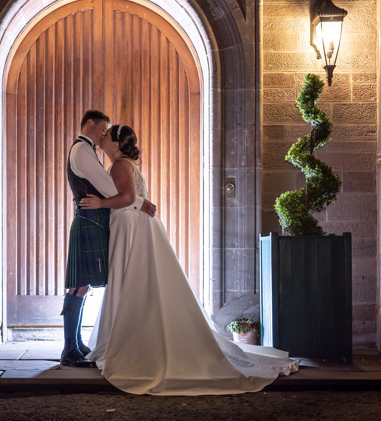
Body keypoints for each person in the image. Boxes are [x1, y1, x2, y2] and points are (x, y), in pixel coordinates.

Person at [80, 124, 300, 394]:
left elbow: (126, 197)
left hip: (131, 228)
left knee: (131, 281)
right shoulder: (126, 164)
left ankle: (129, 342)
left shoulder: (120, 166)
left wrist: (100, 203)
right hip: (136, 225)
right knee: (137, 283)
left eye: (106, 135)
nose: (101, 138)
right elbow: (136, 198)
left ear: (115, 143)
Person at [60, 111, 157, 368]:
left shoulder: (87, 150)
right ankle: (70, 349)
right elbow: (109, 188)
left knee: (83, 285)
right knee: (79, 285)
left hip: (93, 220)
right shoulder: (81, 150)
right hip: (88, 221)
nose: (105, 133)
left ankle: (76, 344)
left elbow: (109, 189)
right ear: (91, 123)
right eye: (103, 128)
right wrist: (138, 200)